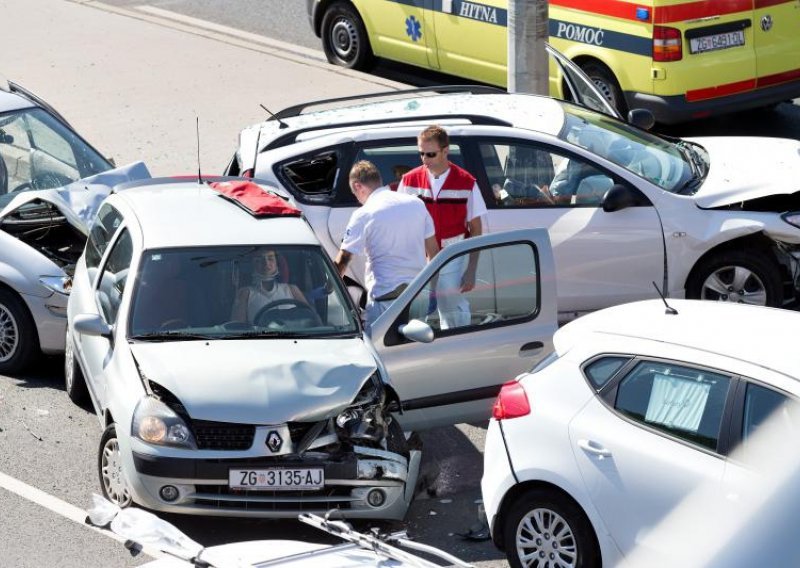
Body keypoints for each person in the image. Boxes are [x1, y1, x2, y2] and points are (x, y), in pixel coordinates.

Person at [397, 125, 487, 329]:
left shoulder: (466, 182)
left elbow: (476, 228)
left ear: (446, 151)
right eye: (421, 154)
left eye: (430, 154)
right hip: (419, 256)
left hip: (451, 255)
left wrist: (472, 269)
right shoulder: (409, 180)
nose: (424, 160)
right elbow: (400, 221)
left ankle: (457, 347)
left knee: (451, 306)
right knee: (417, 308)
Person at [335, 160, 438, 329]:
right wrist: (431, 291)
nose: (359, 200)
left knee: (382, 354)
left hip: (385, 301)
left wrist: (327, 289)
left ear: (358, 186)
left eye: (355, 194)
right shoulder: (417, 204)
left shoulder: (363, 214)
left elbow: (343, 260)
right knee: (418, 352)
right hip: (418, 295)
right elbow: (433, 253)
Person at [231, 248, 308, 323]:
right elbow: (236, 327)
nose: (266, 263)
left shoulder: (292, 289)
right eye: (259, 260)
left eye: (270, 259)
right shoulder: (245, 293)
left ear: (277, 263)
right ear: (253, 265)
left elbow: (312, 318)